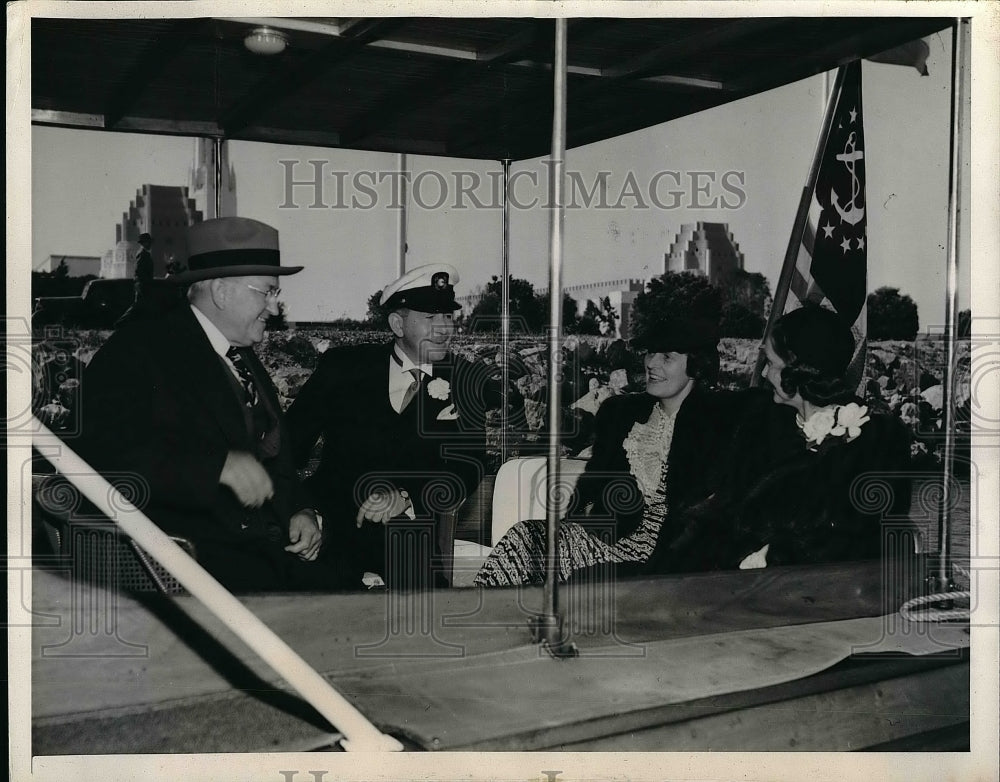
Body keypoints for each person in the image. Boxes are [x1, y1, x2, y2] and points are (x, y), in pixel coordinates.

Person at [76, 217, 349, 593]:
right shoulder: (138, 350)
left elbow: (276, 462)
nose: (274, 308)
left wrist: (302, 511)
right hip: (187, 574)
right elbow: (99, 455)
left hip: (263, 561)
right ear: (221, 291)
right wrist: (213, 468)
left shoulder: (240, 355)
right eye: (267, 292)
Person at [474, 292, 746, 587]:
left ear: (696, 365)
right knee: (526, 538)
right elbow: (591, 485)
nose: (652, 363)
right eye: (649, 353)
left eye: (666, 357)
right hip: (610, 540)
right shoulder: (623, 413)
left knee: (532, 549)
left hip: (667, 557)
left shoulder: (719, 424)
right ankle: (487, 623)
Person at [286, 264, 488, 589]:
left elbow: (470, 464)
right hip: (331, 525)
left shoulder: (465, 380)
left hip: (408, 531)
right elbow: (287, 445)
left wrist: (407, 496)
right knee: (314, 611)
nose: (443, 329)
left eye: (448, 317)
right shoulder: (344, 369)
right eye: (430, 317)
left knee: (424, 614)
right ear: (397, 323)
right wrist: (301, 508)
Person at [724, 305, 914, 568]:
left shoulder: (877, 440)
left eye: (771, 363)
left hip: (834, 593)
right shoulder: (761, 425)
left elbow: (863, 537)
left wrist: (773, 556)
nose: (765, 374)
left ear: (800, 370)